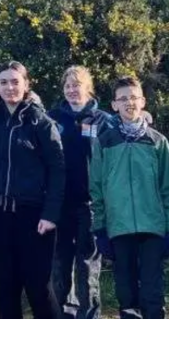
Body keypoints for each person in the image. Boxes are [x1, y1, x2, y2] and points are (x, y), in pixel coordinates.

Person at [0, 61, 65, 319]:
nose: (9, 87)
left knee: (38, 287)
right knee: (6, 287)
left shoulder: (42, 123)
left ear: (26, 84)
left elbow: (58, 171)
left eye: (15, 81)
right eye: (3, 82)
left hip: (34, 217)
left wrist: (50, 214)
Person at [90, 76, 169, 319]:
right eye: (123, 99)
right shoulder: (104, 142)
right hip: (118, 228)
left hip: (153, 228)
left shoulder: (158, 142)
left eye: (134, 97)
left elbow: (168, 188)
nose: (129, 103)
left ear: (143, 101)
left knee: (152, 291)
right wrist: (100, 228)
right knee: (125, 292)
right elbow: (96, 189)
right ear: (114, 105)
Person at [48, 65, 113, 319]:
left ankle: (90, 316)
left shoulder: (104, 120)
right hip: (60, 203)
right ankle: (61, 315)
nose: (72, 90)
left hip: (91, 203)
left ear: (88, 87)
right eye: (68, 85)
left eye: (77, 85)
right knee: (60, 262)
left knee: (88, 264)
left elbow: (129, 126)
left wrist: (146, 116)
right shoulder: (52, 118)